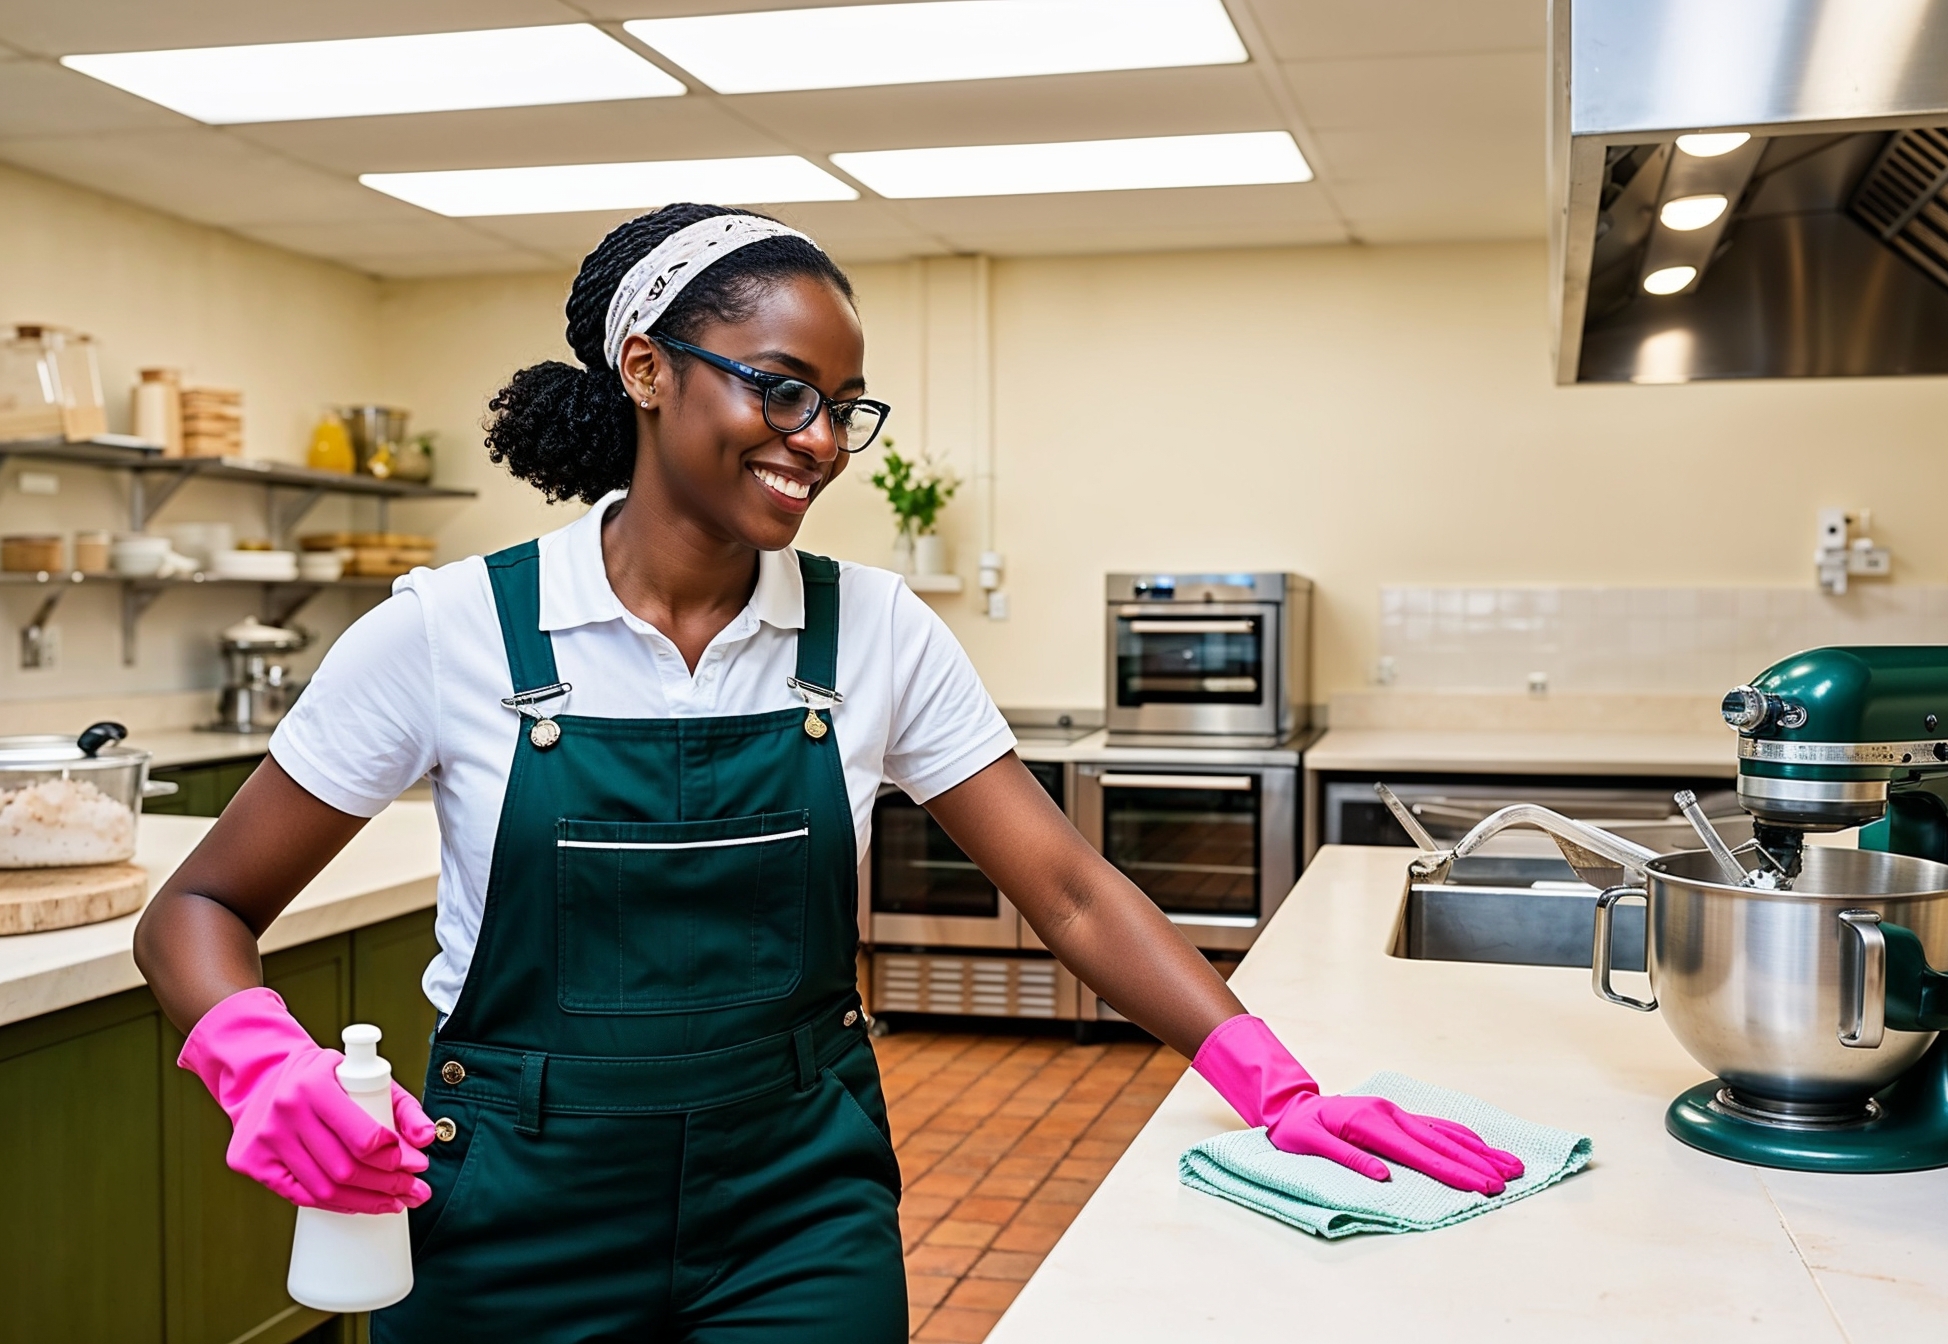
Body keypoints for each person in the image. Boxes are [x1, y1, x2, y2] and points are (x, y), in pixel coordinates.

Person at [133, 203, 1521, 1340]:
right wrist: (261, 1068)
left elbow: (1073, 891)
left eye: (845, 407)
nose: (818, 439)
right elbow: (197, 911)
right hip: (510, 1216)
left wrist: (1274, 1084)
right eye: (780, 389)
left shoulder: (872, 632)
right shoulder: (452, 632)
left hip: (794, 1205)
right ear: (648, 369)